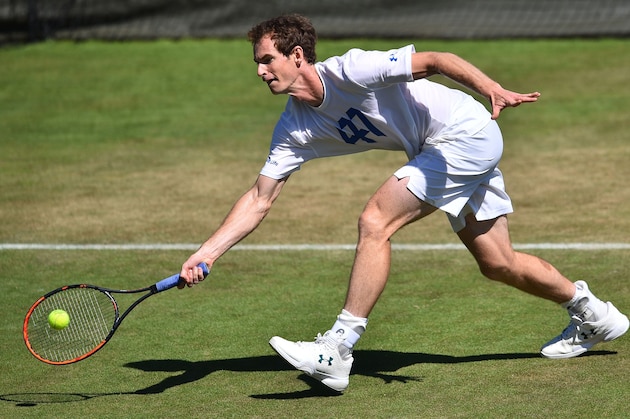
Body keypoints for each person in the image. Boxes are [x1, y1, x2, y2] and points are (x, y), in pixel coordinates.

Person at [178, 14, 628, 392]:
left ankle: (337, 349)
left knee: (375, 221)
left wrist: (492, 88)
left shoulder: (351, 70)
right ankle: (593, 314)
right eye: (257, 62)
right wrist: (207, 252)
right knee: (497, 262)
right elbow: (260, 199)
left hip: (463, 134)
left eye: (266, 60)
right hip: (442, 150)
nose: (260, 70)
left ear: (296, 56)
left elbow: (436, 60)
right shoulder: (294, 128)